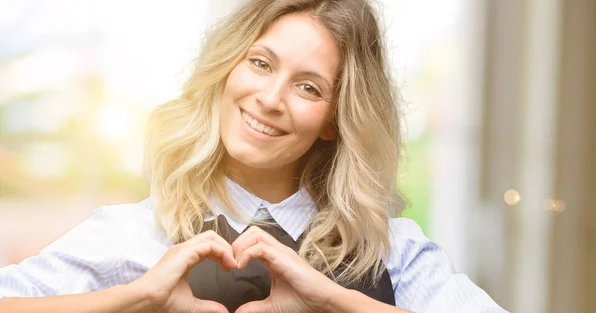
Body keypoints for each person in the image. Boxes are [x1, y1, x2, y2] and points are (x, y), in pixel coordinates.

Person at [0, 0, 509, 312]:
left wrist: (334, 301)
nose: (270, 98)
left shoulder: (393, 252)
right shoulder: (132, 235)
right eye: (260, 64)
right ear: (226, 70)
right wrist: (135, 298)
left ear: (335, 119)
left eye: (308, 87)